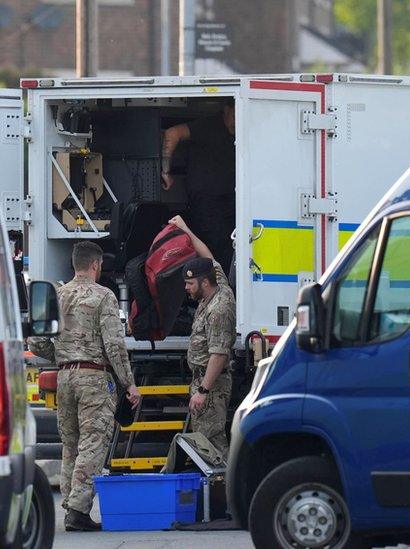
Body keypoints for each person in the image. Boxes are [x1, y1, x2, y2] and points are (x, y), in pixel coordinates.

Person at [28, 241, 141, 531]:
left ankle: (70, 505)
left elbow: (37, 341)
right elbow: (114, 345)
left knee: (71, 444)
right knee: (93, 442)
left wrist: (66, 356)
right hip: (93, 378)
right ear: (96, 264)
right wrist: (129, 384)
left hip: (65, 377)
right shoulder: (104, 296)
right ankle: (78, 509)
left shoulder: (58, 294)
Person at [169, 216, 236, 455]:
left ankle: (226, 487)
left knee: (211, 444)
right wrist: (185, 228)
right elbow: (208, 258)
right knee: (206, 442)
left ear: (205, 283)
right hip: (203, 382)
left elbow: (218, 354)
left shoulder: (219, 308)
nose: (186, 288)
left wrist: (203, 391)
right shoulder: (216, 285)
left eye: (190, 284)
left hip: (212, 385)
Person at [161, 100, 236, 271]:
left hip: (230, 203)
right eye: (234, 115)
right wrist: (165, 171)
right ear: (226, 110)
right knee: (216, 249)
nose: (237, 121)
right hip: (206, 203)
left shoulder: (239, 134)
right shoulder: (209, 127)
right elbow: (172, 133)